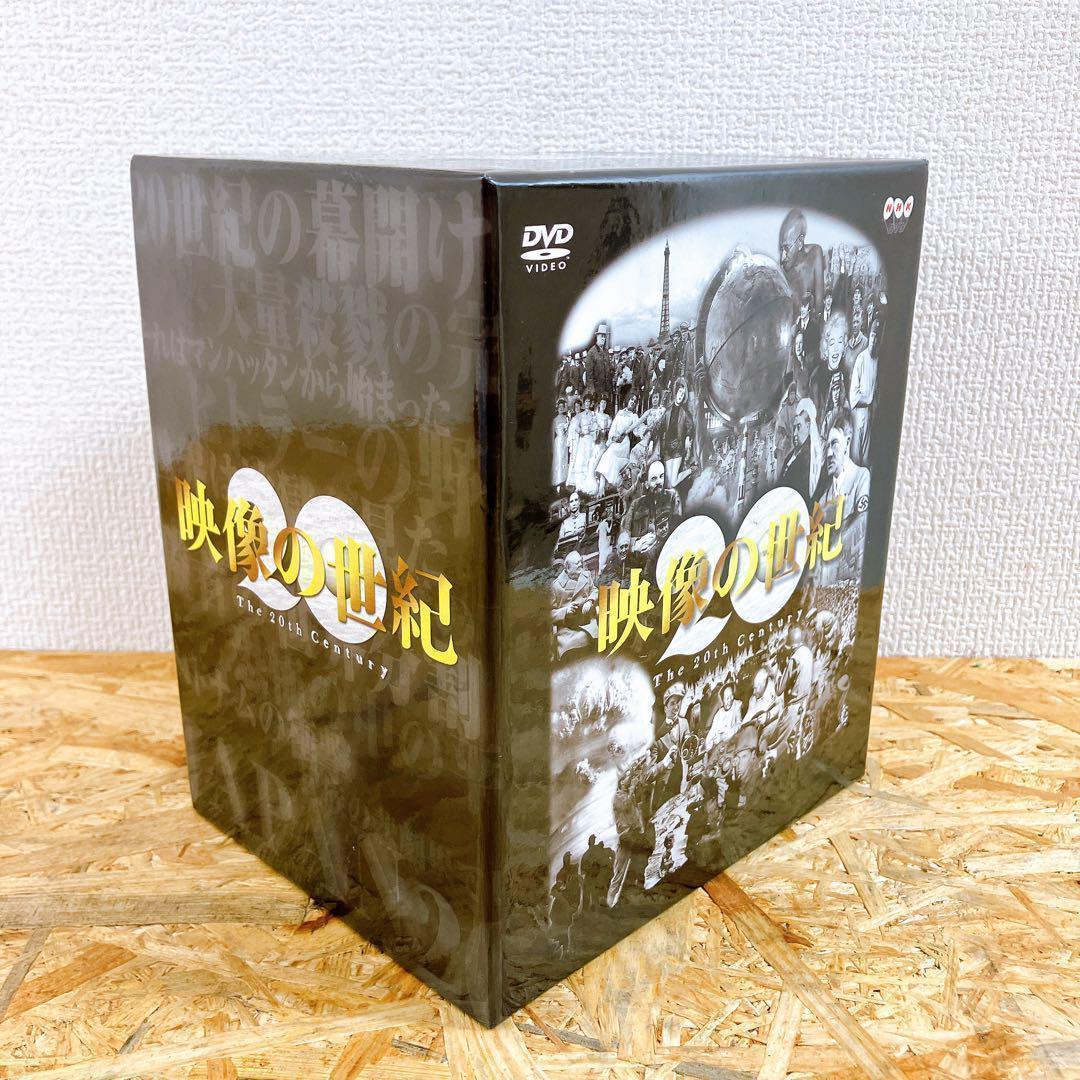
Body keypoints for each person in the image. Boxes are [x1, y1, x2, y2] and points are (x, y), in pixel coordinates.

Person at [813, 409, 871, 586]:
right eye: (827, 447)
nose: (829, 453)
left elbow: (861, 533)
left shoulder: (861, 478)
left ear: (847, 442)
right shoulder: (823, 500)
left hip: (852, 582)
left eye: (834, 444)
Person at [623, 460, 681, 569]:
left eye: (661, 476)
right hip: (640, 561)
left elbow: (678, 530)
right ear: (646, 484)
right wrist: (637, 543)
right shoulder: (636, 505)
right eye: (654, 479)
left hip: (665, 557)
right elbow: (625, 534)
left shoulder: (672, 497)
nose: (659, 482)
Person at [551, 550, 597, 658]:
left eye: (580, 561)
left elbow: (594, 590)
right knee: (573, 650)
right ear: (567, 567)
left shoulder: (586, 576)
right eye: (577, 563)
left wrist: (590, 601)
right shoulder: (556, 586)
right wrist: (565, 611)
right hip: (567, 630)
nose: (580, 564)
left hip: (587, 622)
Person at [811, 313, 849, 441]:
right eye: (832, 343)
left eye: (840, 342)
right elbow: (814, 419)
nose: (836, 348)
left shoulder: (846, 375)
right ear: (826, 347)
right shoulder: (816, 377)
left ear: (844, 345)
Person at [779, 209, 825, 316]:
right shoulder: (782, 269)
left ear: (800, 242)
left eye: (787, 248)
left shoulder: (815, 253)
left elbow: (819, 307)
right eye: (781, 249)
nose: (782, 258)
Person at [595, 393, 640, 497]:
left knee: (610, 456)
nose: (632, 402)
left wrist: (643, 431)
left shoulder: (634, 416)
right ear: (628, 400)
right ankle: (601, 488)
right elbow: (613, 427)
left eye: (634, 401)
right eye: (631, 399)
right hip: (615, 440)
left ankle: (603, 488)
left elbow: (637, 431)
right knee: (606, 455)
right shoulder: (620, 412)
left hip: (624, 443)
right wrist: (611, 438)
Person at [848, 318, 880, 466]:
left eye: (877, 337)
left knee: (868, 460)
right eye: (872, 335)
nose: (874, 340)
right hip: (859, 414)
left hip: (873, 417)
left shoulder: (879, 361)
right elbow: (853, 396)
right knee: (856, 459)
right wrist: (869, 399)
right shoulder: (861, 359)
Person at [778, 397, 823, 501]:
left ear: (808, 426)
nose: (795, 433)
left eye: (798, 427)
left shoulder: (808, 459)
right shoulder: (791, 455)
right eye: (794, 428)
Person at [659, 377, 693, 488]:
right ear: (676, 392)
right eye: (680, 393)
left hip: (678, 447)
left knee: (673, 482)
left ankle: (691, 470)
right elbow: (659, 426)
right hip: (667, 448)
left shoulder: (685, 413)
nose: (680, 396)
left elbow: (690, 427)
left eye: (683, 395)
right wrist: (651, 442)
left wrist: (688, 437)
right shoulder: (668, 409)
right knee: (669, 484)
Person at [705, 679, 743, 752]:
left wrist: (732, 731)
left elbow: (739, 723)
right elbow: (713, 730)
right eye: (727, 698)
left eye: (731, 697)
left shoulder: (737, 705)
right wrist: (708, 745)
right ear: (722, 700)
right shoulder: (719, 714)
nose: (729, 701)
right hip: (720, 745)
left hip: (734, 742)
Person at [579, 834, 615, 911]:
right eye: (591, 841)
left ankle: (595, 910)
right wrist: (590, 869)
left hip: (595, 878)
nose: (593, 842)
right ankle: (585, 911)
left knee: (595, 895)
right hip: (589, 877)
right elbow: (583, 868)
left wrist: (608, 864)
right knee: (587, 895)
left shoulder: (597, 851)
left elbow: (606, 858)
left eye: (594, 840)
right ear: (589, 842)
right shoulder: (586, 855)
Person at [552, 397, 570, 490]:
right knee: (558, 460)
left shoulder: (566, 418)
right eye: (560, 407)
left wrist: (567, 429)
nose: (561, 408)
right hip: (558, 441)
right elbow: (552, 433)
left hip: (564, 441)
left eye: (562, 407)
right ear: (557, 408)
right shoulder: (555, 420)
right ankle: (558, 481)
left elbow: (568, 432)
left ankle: (564, 479)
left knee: (564, 459)